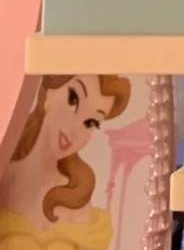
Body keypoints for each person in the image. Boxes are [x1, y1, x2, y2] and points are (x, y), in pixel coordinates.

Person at [0, 73, 130, 250]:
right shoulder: (6, 176)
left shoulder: (75, 197)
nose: (75, 128)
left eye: (90, 122)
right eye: (73, 100)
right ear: (49, 92)